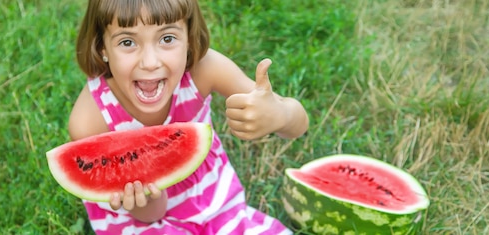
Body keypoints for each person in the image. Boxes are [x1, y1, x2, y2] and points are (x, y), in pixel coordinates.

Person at [68, 0, 309, 234]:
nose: (150, 62)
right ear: (102, 47)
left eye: (167, 38)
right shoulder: (90, 120)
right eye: (128, 42)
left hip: (214, 203)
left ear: (189, 40)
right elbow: (151, 215)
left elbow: (298, 125)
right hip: (139, 222)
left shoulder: (205, 70)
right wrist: (147, 198)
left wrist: (280, 115)